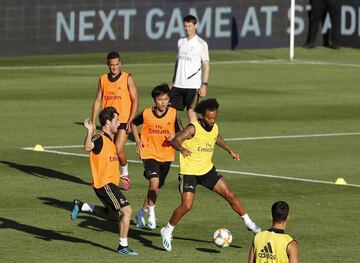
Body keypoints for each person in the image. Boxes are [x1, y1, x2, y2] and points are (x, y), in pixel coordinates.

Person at [160, 98, 261, 252]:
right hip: (189, 173)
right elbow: (175, 140)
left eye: (214, 117)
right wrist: (182, 149)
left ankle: (249, 223)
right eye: (209, 118)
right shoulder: (193, 128)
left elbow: (216, 137)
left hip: (207, 170)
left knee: (230, 195)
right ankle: (167, 230)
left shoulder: (214, 127)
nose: (212, 120)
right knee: (187, 205)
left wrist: (230, 150)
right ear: (203, 116)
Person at [71, 107, 139, 256]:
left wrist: (119, 176)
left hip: (110, 183)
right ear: (107, 122)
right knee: (127, 211)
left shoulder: (110, 140)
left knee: (113, 216)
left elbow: (107, 161)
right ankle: (123, 246)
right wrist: (90, 131)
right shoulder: (99, 137)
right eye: (116, 120)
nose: (119, 123)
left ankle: (82, 206)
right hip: (104, 184)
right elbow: (87, 146)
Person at [131, 84, 180, 230]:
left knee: (155, 188)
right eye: (160, 99)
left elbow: (181, 131)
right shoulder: (146, 113)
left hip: (166, 155)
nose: (163, 102)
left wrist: (175, 136)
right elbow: (133, 123)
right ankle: (152, 215)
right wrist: (138, 140)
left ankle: (141, 213)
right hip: (149, 153)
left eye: (165, 99)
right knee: (154, 183)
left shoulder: (173, 113)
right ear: (154, 100)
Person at [91, 51, 139, 189]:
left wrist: (131, 120)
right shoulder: (103, 79)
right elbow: (97, 101)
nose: (114, 67)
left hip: (123, 120)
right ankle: (107, 177)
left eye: (117, 64)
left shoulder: (127, 78)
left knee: (118, 149)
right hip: (108, 122)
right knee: (106, 152)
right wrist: (94, 121)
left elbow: (135, 101)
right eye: (112, 65)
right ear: (108, 64)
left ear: (120, 63)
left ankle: (124, 173)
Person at [170, 15, 210, 125]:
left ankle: (195, 136)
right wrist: (173, 81)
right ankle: (178, 135)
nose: (187, 28)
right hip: (178, 84)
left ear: (195, 26)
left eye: (189, 26)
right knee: (173, 111)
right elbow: (177, 62)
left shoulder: (201, 44)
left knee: (191, 111)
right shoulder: (180, 42)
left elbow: (206, 65)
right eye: (185, 26)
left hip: (193, 85)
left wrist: (204, 84)